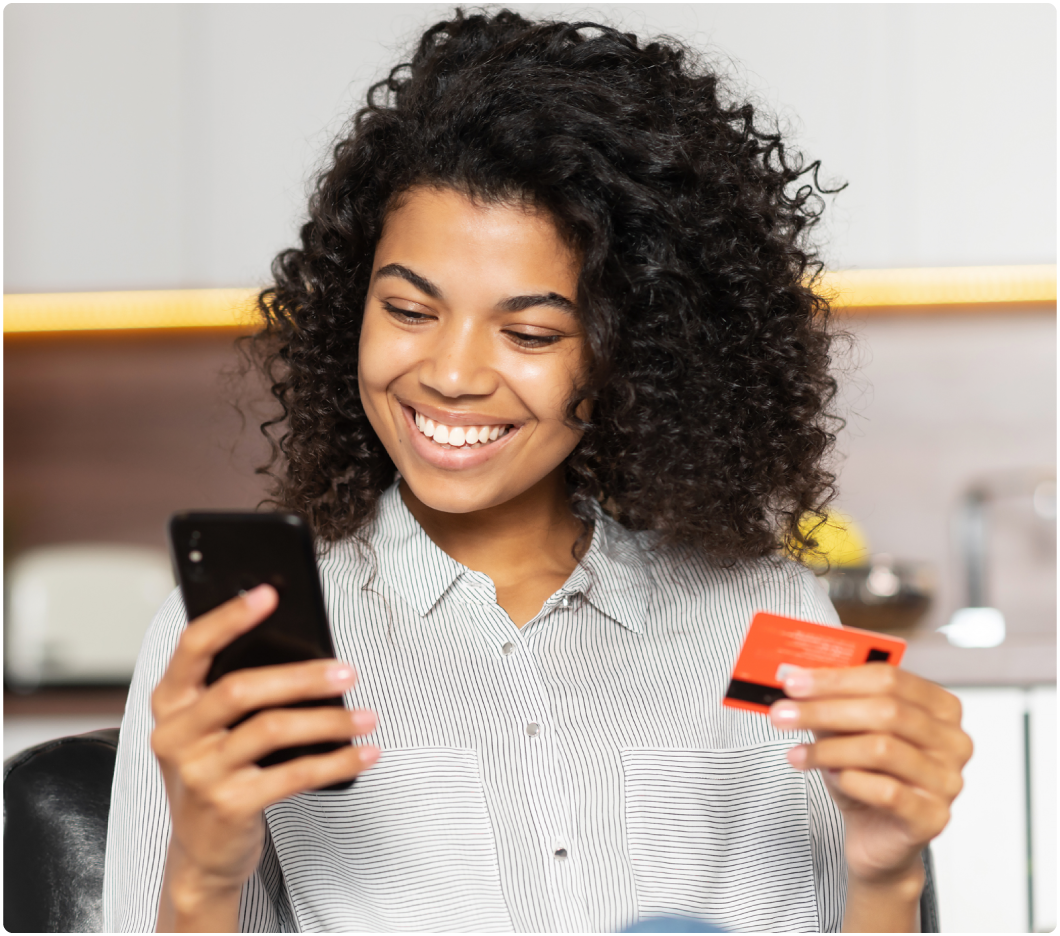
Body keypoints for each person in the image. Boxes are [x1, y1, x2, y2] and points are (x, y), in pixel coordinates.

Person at [102, 10, 971, 933]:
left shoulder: (775, 619)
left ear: (629, 351)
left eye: (529, 333)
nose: (451, 374)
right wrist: (200, 876)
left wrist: (885, 879)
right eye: (407, 310)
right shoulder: (242, 644)